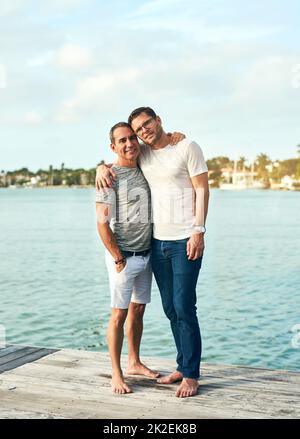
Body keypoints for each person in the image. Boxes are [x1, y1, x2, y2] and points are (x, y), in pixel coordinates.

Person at [96, 107, 210, 398]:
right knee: (169, 309)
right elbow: (118, 162)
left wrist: (199, 230)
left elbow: (202, 189)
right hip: (153, 245)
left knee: (183, 306)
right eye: (137, 130)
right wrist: (100, 167)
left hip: (182, 241)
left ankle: (192, 375)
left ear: (158, 121)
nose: (141, 133)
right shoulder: (134, 160)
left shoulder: (186, 146)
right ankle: (180, 367)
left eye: (146, 125)